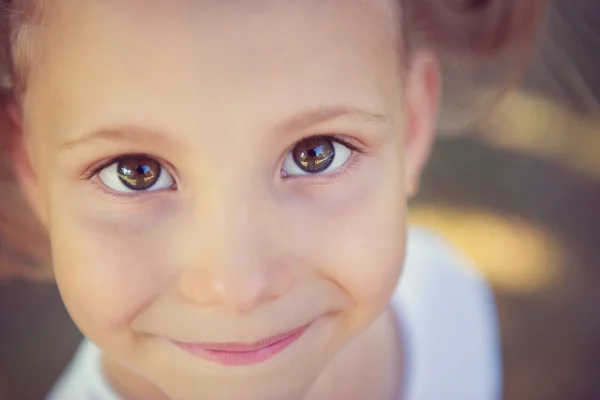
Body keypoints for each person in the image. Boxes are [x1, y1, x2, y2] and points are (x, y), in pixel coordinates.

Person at [0, 0, 545, 399]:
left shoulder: (448, 302)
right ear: (32, 167)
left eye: (316, 153)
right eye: (135, 173)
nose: (238, 286)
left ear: (414, 123)